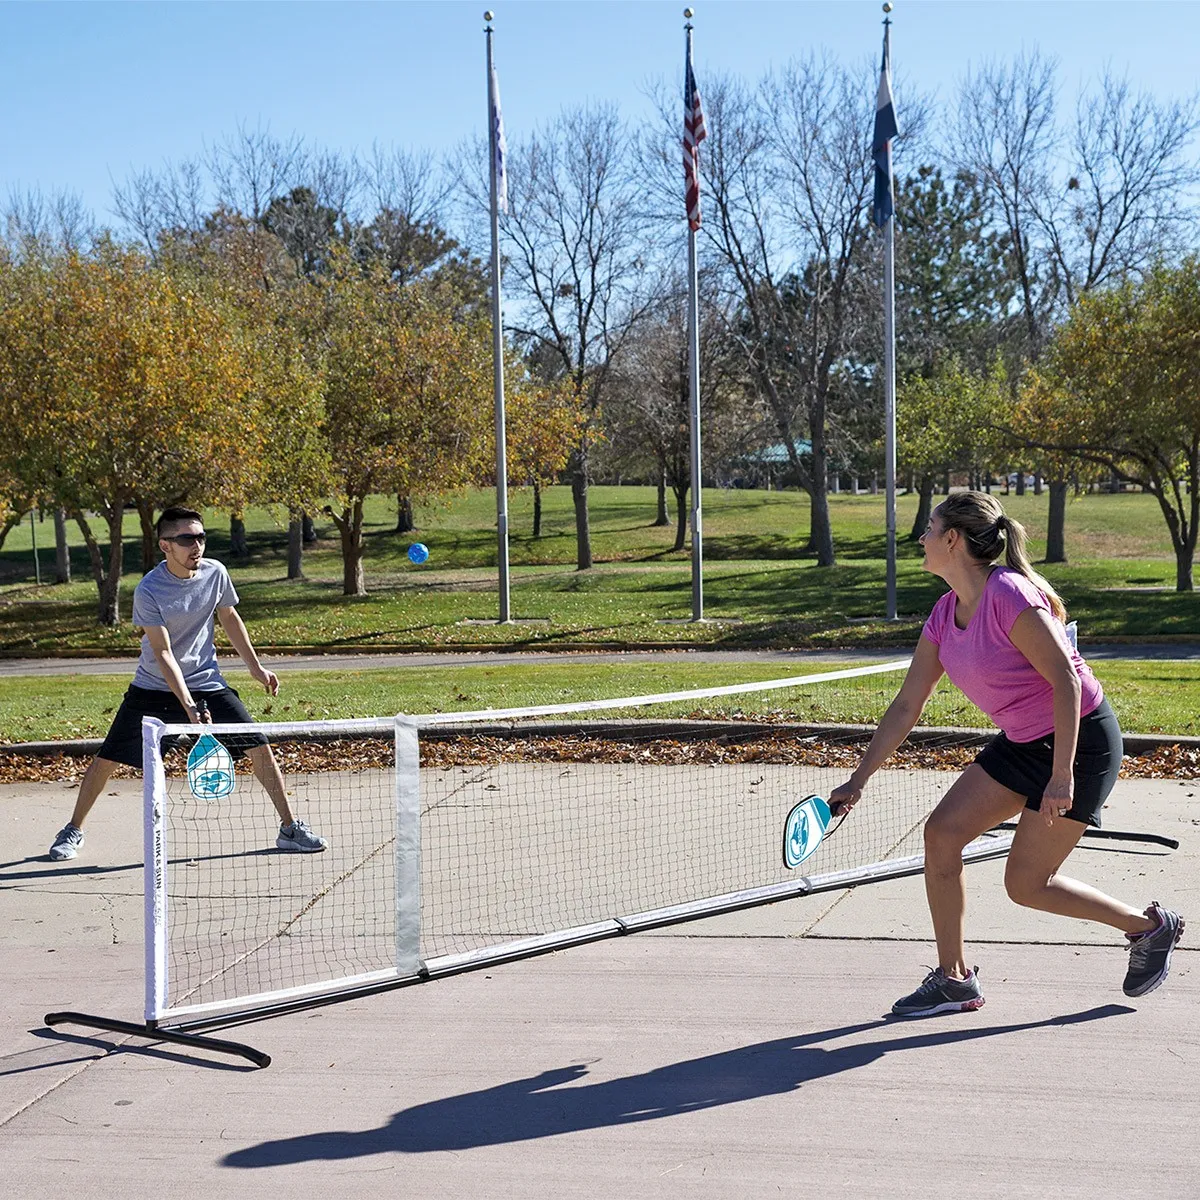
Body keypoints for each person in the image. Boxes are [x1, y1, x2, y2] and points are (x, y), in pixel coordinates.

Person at [829, 491, 1183, 1017]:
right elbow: (907, 705)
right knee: (942, 834)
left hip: (1080, 741)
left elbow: (1065, 680)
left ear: (952, 539)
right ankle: (953, 980)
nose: (921, 538)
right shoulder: (945, 613)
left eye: (929, 527)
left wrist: (1060, 776)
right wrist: (858, 780)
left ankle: (1149, 927)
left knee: (1025, 886)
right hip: (1023, 741)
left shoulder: (1009, 595)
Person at [49, 506, 327, 861]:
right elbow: (163, 653)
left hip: (207, 683)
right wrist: (189, 708)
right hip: (153, 687)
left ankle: (289, 828)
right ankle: (73, 829)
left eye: (200, 537)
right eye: (186, 539)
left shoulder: (215, 573)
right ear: (166, 546)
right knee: (109, 758)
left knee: (259, 746)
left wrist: (255, 668)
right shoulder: (149, 589)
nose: (196, 545)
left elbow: (229, 617)